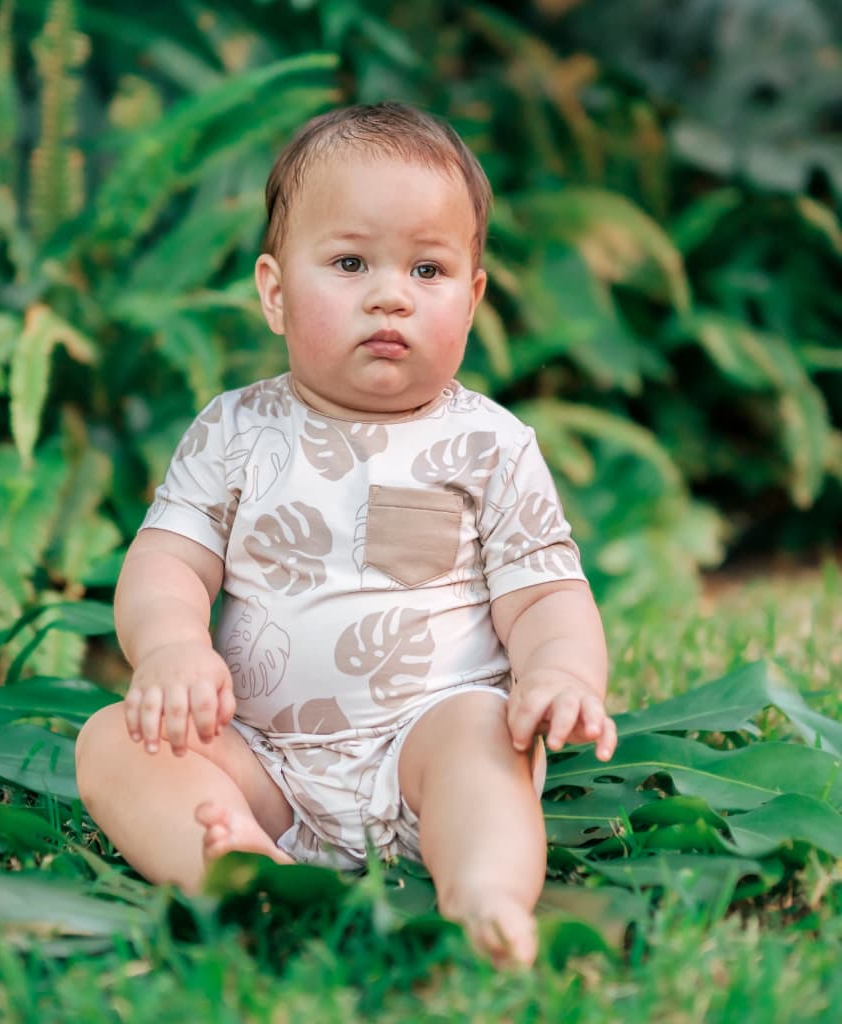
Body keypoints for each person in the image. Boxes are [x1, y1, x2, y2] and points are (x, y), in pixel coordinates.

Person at [75, 101, 617, 967]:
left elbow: (546, 593)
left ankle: (484, 895)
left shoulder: (489, 445)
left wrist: (560, 672)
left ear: (473, 299)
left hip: (426, 749)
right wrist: (172, 648)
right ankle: (246, 866)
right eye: (351, 262)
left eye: (429, 270)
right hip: (262, 759)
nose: (390, 294)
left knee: (485, 739)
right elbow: (168, 560)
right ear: (276, 292)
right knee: (112, 744)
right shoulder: (233, 431)